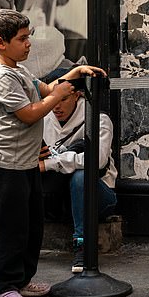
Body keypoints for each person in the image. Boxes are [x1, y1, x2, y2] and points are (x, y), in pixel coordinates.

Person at [0, 8, 105, 297]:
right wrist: (58, 95)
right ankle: (3, 288)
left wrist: (73, 75)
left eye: (28, 37)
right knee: (8, 229)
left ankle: (22, 280)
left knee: (30, 226)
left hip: (24, 165)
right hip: (3, 165)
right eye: (22, 39)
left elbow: (48, 89)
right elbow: (30, 113)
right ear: (1, 42)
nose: (28, 44)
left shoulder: (19, 70)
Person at [39, 82, 117, 273]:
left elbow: (97, 161)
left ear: (78, 95)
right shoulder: (43, 119)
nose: (56, 106)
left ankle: (83, 246)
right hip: (57, 195)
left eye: (63, 98)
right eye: (53, 99)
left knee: (81, 176)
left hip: (97, 196)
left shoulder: (99, 119)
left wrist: (51, 163)